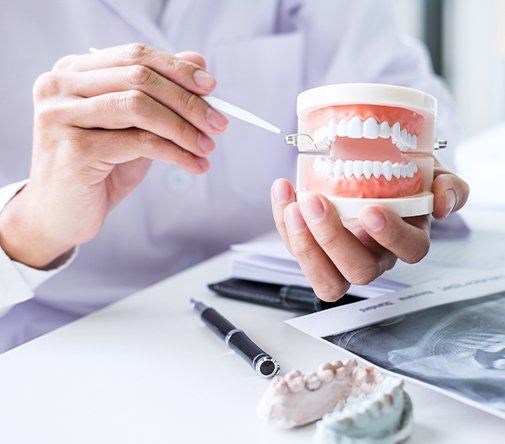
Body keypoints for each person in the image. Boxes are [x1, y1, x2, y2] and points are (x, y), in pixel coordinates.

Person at [0, 0, 469, 353]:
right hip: (56, 347)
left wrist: (405, 188)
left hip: (284, 328)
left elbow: (403, 92)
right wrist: (28, 228)